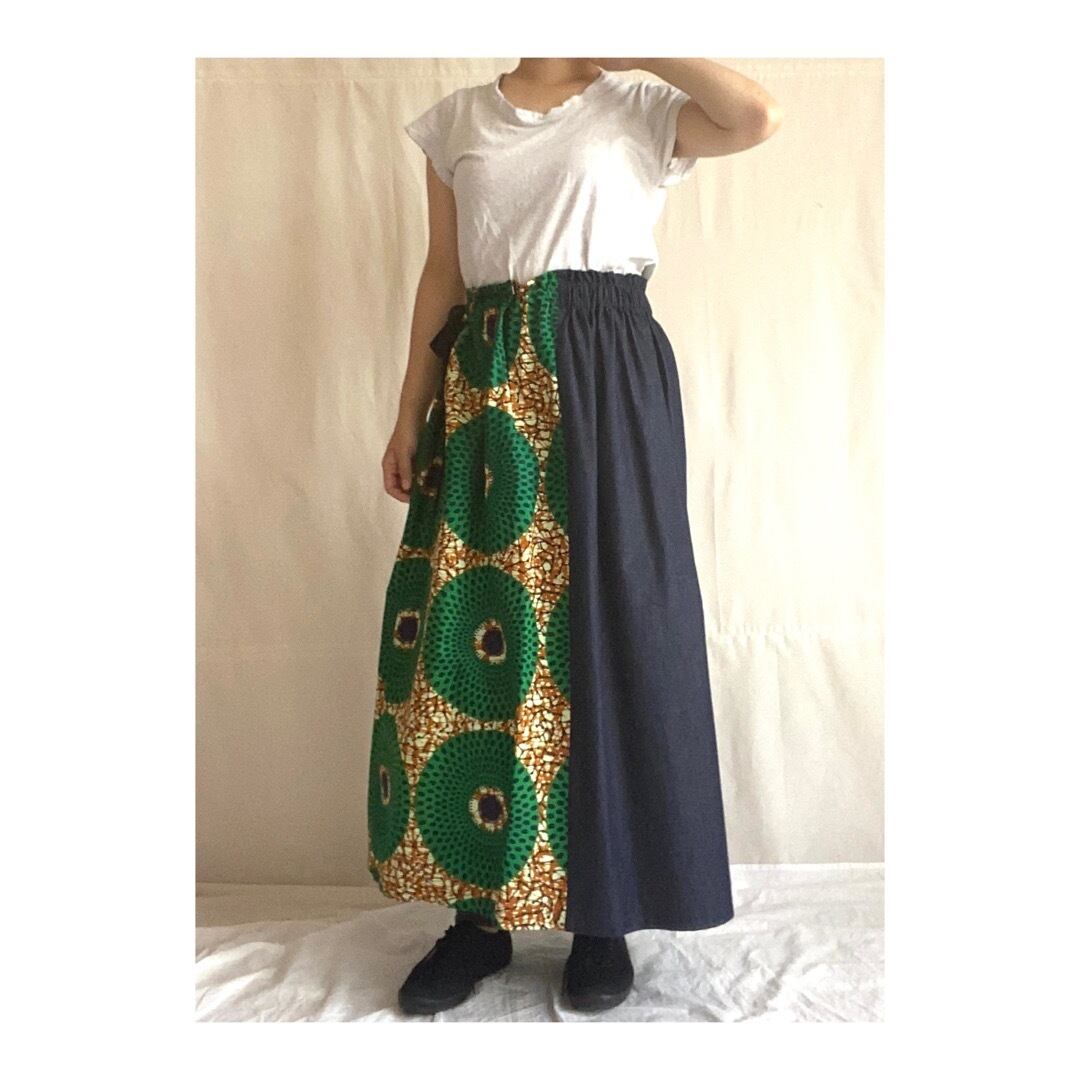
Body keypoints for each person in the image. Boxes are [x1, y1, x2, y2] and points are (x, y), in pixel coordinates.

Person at [367, 57, 782, 1016]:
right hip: (485, 380)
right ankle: (479, 920)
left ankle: (604, 914)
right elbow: (443, 273)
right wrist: (407, 413)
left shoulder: (641, 102)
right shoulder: (457, 121)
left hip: (607, 369)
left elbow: (756, 116)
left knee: (615, 627)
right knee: (478, 633)